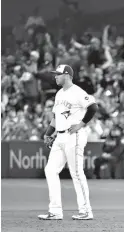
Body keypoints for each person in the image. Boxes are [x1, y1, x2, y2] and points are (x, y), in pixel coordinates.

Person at [38, 64, 98, 220]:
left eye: (58, 74)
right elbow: (56, 118)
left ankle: (86, 211)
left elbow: (93, 107)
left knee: (76, 173)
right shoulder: (59, 94)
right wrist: (48, 133)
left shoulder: (77, 92)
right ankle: (55, 211)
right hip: (60, 136)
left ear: (67, 75)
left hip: (75, 135)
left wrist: (81, 124)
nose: (55, 76)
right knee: (50, 170)